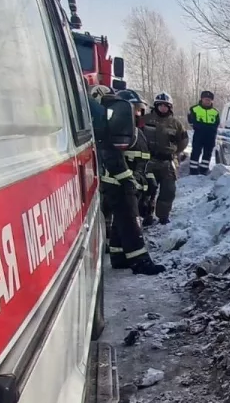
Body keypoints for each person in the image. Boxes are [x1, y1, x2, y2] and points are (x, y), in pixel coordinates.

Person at [89, 85, 165, 275]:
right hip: (118, 183)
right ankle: (140, 262)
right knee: (131, 223)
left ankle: (119, 256)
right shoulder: (116, 130)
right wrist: (128, 180)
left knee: (121, 222)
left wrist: (148, 182)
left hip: (128, 183)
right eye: (136, 109)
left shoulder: (137, 133)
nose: (140, 113)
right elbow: (112, 158)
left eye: (141, 109)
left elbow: (142, 161)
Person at [142, 92, 188, 224]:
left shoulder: (176, 124)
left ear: (170, 107)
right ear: (156, 106)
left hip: (168, 162)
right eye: (160, 105)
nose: (163, 108)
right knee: (148, 189)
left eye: (166, 106)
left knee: (168, 190)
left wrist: (174, 153)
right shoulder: (145, 120)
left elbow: (183, 141)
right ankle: (146, 214)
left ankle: (163, 215)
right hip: (149, 160)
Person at [187, 90, 220, 175]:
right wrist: (200, 127)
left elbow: (216, 124)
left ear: (212, 101)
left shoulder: (215, 112)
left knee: (207, 154)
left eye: (209, 100)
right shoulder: (194, 109)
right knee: (196, 152)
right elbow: (191, 121)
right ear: (201, 99)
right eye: (205, 99)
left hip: (210, 136)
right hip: (199, 135)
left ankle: (204, 170)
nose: (207, 101)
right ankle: (193, 171)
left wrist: (210, 130)